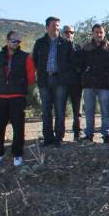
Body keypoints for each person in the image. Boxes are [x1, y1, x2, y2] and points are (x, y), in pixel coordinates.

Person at [0, 31, 36, 167]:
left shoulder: (25, 57)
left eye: (18, 41)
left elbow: (31, 77)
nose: (16, 43)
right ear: (7, 40)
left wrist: (19, 87)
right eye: (14, 40)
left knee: (18, 127)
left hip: (17, 97)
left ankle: (17, 154)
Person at [31, 16, 74, 147]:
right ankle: (48, 137)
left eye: (58, 25)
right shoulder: (40, 42)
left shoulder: (66, 43)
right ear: (47, 27)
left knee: (60, 110)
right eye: (54, 25)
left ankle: (59, 137)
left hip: (60, 81)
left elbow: (71, 63)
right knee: (46, 110)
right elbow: (34, 61)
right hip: (44, 80)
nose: (57, 27)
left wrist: (66, 76)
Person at [78, 23, 109, 144]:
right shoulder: (86, 47)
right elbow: (80, 64)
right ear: (92, 33)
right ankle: (89, 134)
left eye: (101, 32)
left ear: (104, 33)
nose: (99, 34)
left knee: (106, 111)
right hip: (89, 84)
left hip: (105, 85)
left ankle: (106, 135)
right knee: (89, 111)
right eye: (96, 32)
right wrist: (84, 75)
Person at [61, 25, 83, 141]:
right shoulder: (59, 47)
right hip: (62, 83)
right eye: (66, 32)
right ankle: (60, 135)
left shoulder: (78, 47)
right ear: (62, 33)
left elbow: (80, 63)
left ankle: (77, 133)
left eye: (71, 32)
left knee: (77, 111)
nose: (69, 34)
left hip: (76, 83)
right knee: (61, 110)